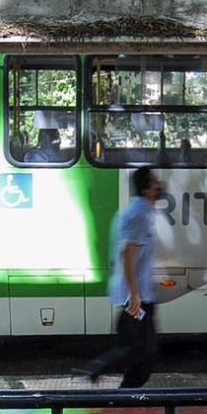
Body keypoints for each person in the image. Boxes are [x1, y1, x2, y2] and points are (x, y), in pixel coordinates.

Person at [76, 166, 162, 388]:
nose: (159, 185)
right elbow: (128, 254)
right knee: (142, 351)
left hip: (137, 295)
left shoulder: (138, 211)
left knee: (140, 349)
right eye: (154, 182)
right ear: (146, 189)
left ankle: (116, 386)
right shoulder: (139, 214)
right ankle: (119, 390)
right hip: (136, 297)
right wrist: (135, 295)